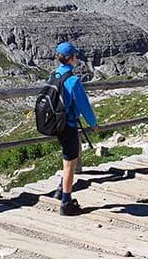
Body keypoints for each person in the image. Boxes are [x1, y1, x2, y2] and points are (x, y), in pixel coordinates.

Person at [52, 41, 98, 216]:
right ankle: (66, 202)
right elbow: (84, 106)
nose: (77, 58)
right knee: (70, 162)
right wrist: (93, 124)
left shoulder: (54, 75)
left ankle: (60, 189)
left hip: (57, 124)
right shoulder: (73, 80)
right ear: (71, 58)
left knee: (66, 158)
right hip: (69, 125)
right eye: (75, 55)